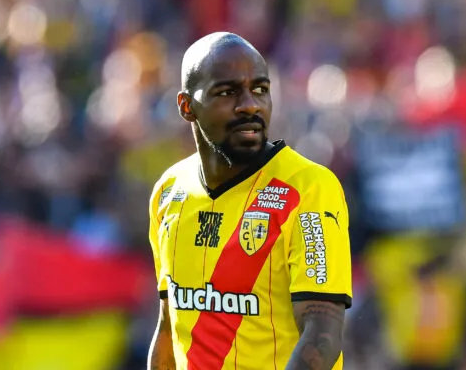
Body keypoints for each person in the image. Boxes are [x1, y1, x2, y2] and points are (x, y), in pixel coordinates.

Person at [147, 32, 352, 370]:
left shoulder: (309, 189)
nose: (250, 105)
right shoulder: (169, 192)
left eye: (260, 89)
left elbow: (322, 336)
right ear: (187, 107)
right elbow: (169, 327)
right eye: (227, 92)